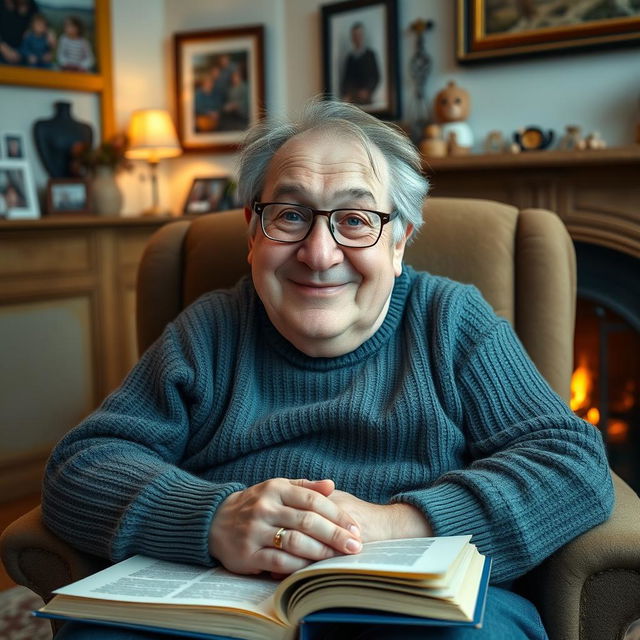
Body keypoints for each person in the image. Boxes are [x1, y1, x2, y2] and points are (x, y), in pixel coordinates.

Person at [44, 99, 614, 640]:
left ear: (398, 241)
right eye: (290, 216)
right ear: (253, 231)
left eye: (356, 219)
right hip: (226, 610)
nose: (319, 254)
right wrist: (213, 519)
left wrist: (393, 522)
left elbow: (572, 464)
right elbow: (81, 465)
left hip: (416, 613)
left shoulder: (452, 321)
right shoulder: (211, 330)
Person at [340, 21, 380, 105]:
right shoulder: (349, 58)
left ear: (363, 36)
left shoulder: (370, 55)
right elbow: (346, 79)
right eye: (355, 36)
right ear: (352, 38)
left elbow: (376, 76)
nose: (357, 38)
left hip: (366, 99)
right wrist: (346, 94)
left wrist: (367, 90)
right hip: (352, 100)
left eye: (359, 35)